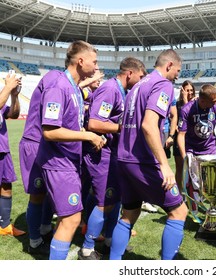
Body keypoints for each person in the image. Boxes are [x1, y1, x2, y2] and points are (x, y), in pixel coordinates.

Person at [110, 49, 188, 260]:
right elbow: (148, 125)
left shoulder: (137, 86)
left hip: (124, 158)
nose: (178, 76)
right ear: (169, 65)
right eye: (178, 70)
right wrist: (164, 164)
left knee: (129, 214)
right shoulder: (163, 85)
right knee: (179, 212)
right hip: (142, 160)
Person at [36, 40, 106, 260]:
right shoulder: (59, 86)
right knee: (72, 219)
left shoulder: (74, 89)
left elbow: (70, 125)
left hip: (68, 162)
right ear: (81, 61)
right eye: (94, 62)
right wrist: (87, 135)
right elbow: (49, 131)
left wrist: (87, 133)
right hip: (58, 163)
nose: (96, 68)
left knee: (69, 218)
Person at [78, 57, 146, 260]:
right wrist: (124, 128)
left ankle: (109, 240)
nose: (142, 81)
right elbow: (95, 123)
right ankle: (87, 248)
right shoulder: (110, 89)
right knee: (104, 202)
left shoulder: (121, 91)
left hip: (113, 154)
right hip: (101, 155)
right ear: (130, 73)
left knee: (114, 198)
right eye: (141, 77)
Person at [19, 70, 64, 254]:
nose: (95, 69)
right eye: (93, 62)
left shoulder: (60, 81)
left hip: (43, 144)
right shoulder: (55, 79)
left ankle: (44, 229)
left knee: (46, 192)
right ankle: (34, 242)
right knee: (37, 195)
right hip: (35, 144)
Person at [0, 72, 25, 237]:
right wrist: (8, 86)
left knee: (6, 185)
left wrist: (14, 96)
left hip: (2, 149)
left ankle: (4, 226)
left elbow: (13, 114)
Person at [177, 84, 216, 159]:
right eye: (213, 101)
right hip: (192, 150)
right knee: (193, 171)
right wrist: (184, 156)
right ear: (202, 101)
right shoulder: (186, 110)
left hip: (210, 149)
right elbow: (181, 134)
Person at [173, 80, 195, 193]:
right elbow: (173, 118)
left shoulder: (196, 103)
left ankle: (192, 191)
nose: (189, 92)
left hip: (192, 139)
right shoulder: (177, 104)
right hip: (179, 138)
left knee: (193, 168)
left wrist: (186, 100)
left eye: (191, 90)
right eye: (187, 90)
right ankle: (179, 191)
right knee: (180, 167)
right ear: (182, 91)